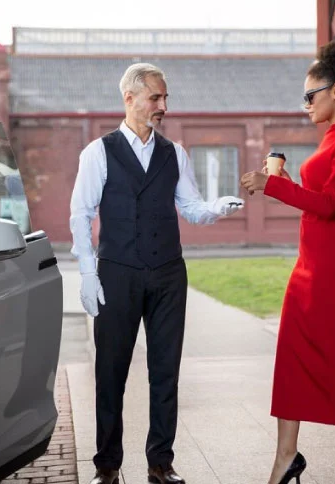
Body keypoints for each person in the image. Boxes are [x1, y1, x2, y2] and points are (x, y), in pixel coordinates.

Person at [70, 62, 244, 484]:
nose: (163, 105)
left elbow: (190, 207)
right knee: (110, 373)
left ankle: (160, 463)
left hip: (168, 275)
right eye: (156, 98)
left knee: (165, 371)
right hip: (117, 273)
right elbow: (81, 213)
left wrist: (216, 208)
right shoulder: (98, 152)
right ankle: (107, 466)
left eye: (165, 98)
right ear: (129, 99)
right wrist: (88, 272)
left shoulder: (174, 153)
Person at [240, 40, 335, 484]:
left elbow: (328, 205)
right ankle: (286, 456)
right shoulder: (332, 137)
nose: (305, 103)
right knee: (290, 354)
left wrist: (271, 187)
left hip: (333, 264)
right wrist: (281, 179)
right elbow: (314, 200)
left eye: (311, 95)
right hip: (310, 261)